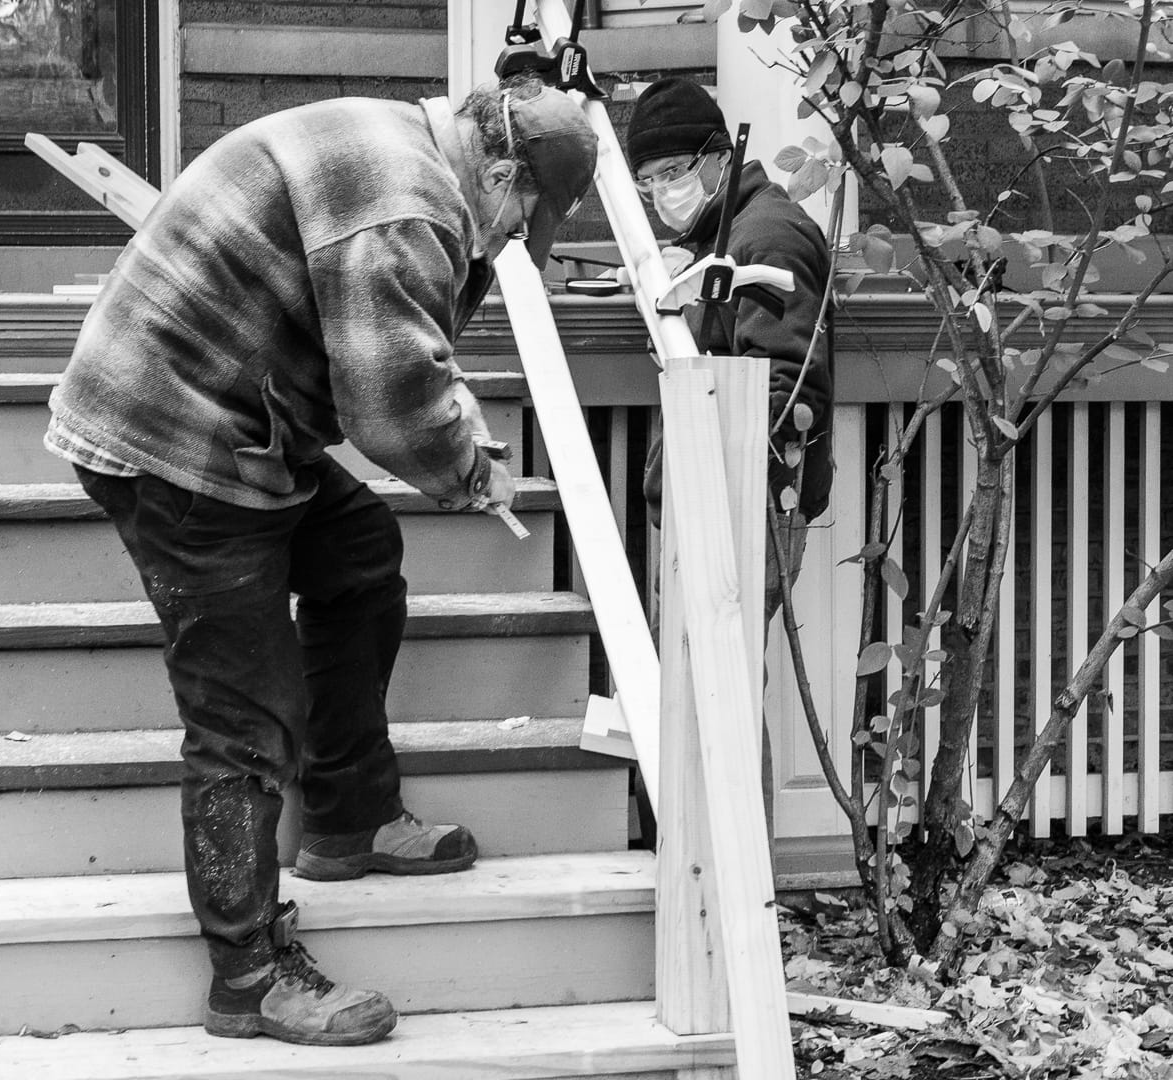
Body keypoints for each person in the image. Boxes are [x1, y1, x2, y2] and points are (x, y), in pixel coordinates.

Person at [44, 77, 596, 1047]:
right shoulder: (407, 205)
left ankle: (349, 818)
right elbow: (387, 402)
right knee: (244, 716)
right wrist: (469, 472)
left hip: (235, 412)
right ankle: (249, 975)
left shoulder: (405, 150)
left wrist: (458, 426)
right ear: (503, 172)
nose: (515, 243)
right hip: (176, 434)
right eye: (525, 222)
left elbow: (403, 347)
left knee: (358, 555)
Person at [624, 76, 833, 832]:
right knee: (710, 692)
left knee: (723, 697)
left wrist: (724, 492)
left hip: (745, 503)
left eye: (673, 172)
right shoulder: (729, 236)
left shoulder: (766, 239)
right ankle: (710, 870)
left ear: (720, 157)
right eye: (647, 182)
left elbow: (786, 387)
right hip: (719, 498)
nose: (660, 193)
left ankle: (741, 876)